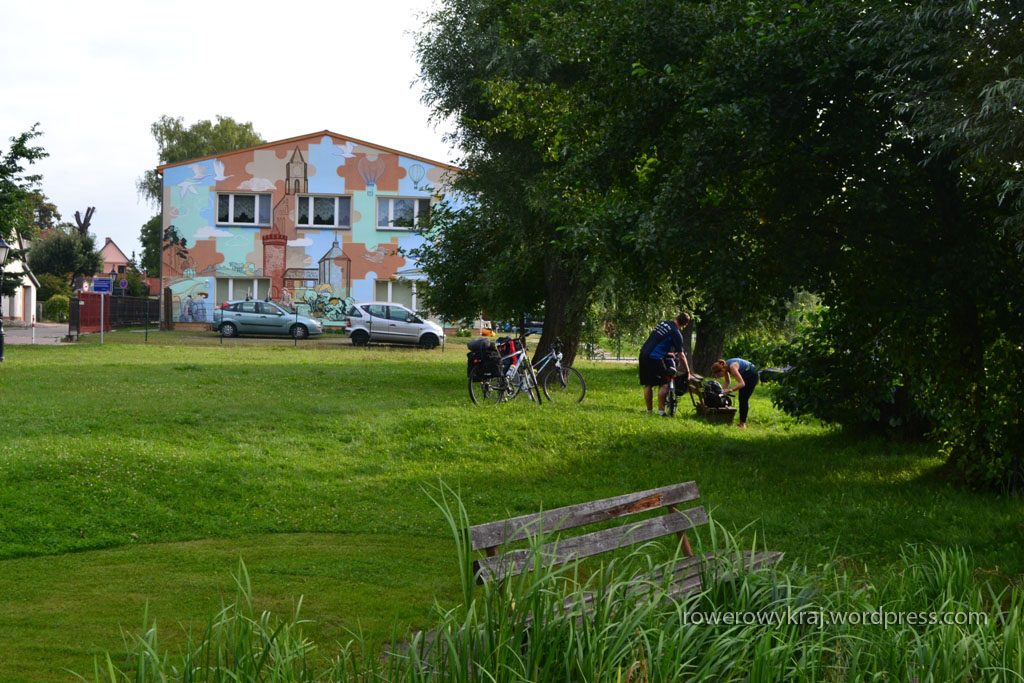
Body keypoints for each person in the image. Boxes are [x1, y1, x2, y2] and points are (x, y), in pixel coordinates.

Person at [639, 312, 693, 416]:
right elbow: (681, 355)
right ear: (685, 324)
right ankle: (661, 412)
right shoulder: (676, 333)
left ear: (676, 317)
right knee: (664, 384)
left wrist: (666, 353)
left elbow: (657, 341)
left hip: (643, 354)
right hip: (655, 358)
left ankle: (649, 412)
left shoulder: (663, 324)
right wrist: (688, 371)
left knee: (648, 384)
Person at [711, 357, 759, 428]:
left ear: (722, 370)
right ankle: (742, 422)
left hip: (752, 376)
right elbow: (727, 381)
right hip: (745, 376)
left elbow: (742, 383)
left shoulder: (732, 367)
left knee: (743, 399)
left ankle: (742, 424)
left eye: (718, 375)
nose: (718, 376)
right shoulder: (725, 366)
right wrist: (721, 392)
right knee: (742, 398)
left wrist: (730, 390)